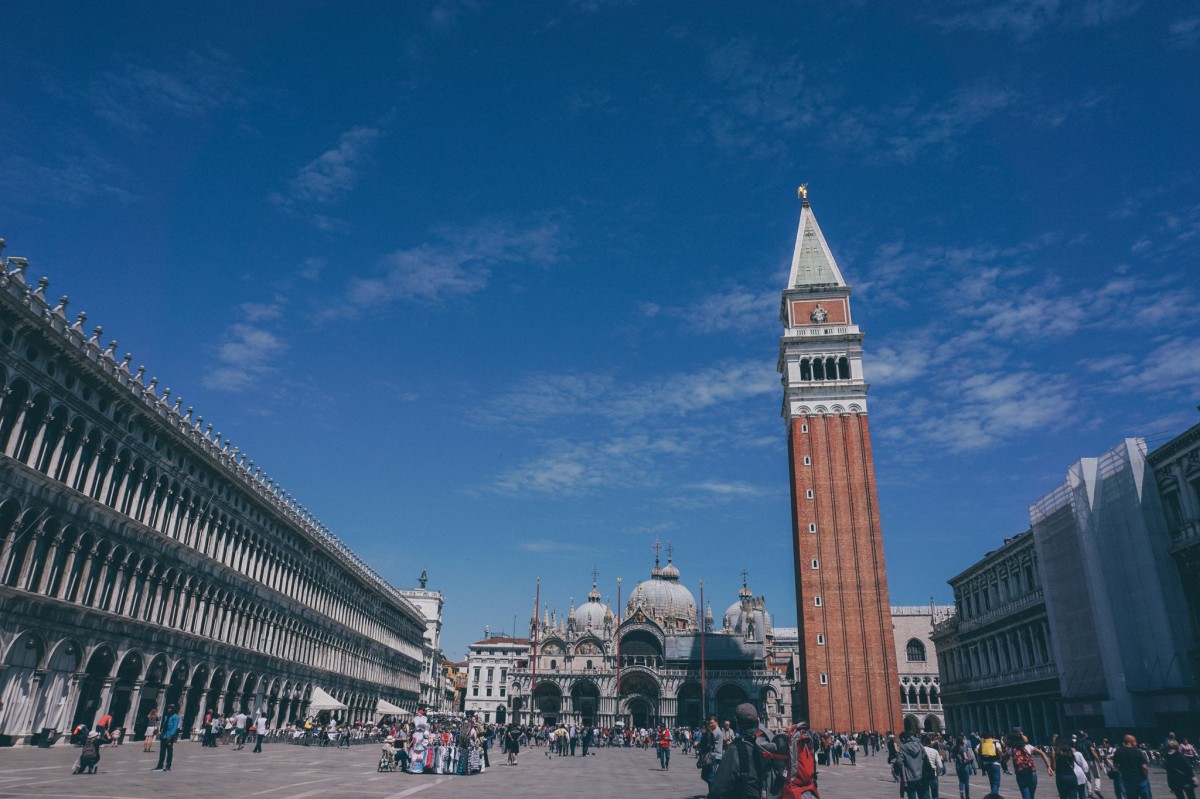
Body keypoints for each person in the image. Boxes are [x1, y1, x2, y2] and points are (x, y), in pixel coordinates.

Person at [711, 704, 767, 799]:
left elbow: (719, 787)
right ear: (758, 721)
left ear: (737, 723)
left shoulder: (735, 749)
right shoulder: (771, 743)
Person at [1006, 731, 1053, 799]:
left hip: (1020, 774)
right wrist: (1048, 767)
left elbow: (1005, 758)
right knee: (1031, 796)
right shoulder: (1028, 746)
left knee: (1026, 795)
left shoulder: (1010, 749)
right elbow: (1042, 753)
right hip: (1031, 773)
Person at [1113, 735, 1151, 799]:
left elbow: (1115, 765)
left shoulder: (1118, 751)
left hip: (1128, 780)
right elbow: (1144, 767)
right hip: (1140, 779)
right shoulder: (1137, 751)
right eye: (1135, 741)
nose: (1136, 743)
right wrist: (1146, 776)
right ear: (1130, 741)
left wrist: (1121, 772)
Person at [898, 732, 935, 799]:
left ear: (903, 739)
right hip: (922, 776)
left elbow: (899, 762)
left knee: (912, 796)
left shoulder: (903, 748)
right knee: (925, 796)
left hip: (910, 778)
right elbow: (925, 757)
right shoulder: (919, 745)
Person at [152, 704, 180, 772]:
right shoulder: (166, 716)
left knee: (169, 751)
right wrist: (161, 733)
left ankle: (168, 766)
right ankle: (160, 766)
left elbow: (175, 727)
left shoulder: (176, 717)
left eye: (171, 708)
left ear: (173, 709)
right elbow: (164, 725)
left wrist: (171, 736)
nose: (169, 709)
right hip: (164, 735)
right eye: (169, 708)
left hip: (170, 736)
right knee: (162, 751)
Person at [953, 735, 976, 799]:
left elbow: (953, 757)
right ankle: (967, 796)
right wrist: (969, 758)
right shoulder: (963, 747)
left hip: (958, 766)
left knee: (961, 781)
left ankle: (961, 791)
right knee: (966, 781)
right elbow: (965, 757)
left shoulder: (954, 748)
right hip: (964, 766)